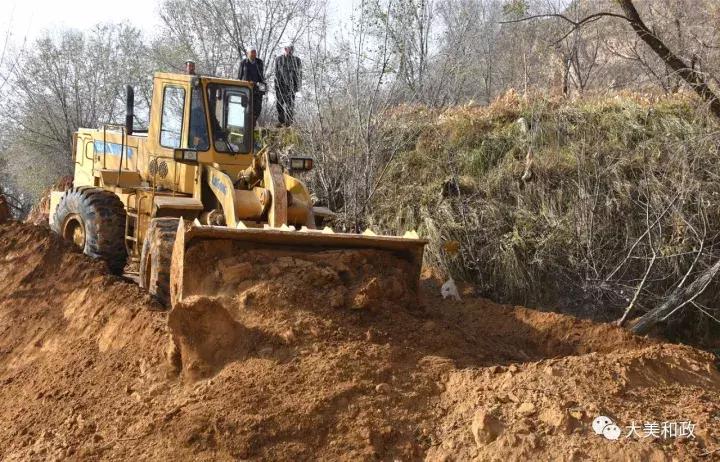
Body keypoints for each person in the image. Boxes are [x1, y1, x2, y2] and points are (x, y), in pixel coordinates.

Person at [274, 45, 301, 126]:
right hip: (280, 86)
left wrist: (297, 87)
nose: (289, 51)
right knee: (279, 104)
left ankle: (289, 123)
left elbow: (299, 74)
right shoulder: (278, 59)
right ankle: (281, 122)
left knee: (290, 105)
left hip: (291, 87)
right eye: (287, 49)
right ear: (284, 49)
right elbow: (276, 73)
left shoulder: (296, 60)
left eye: (291, 49)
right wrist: (276, 85)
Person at [238, 48, 266, 123]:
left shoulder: (259, 62)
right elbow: (239, 77)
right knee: (246, 108)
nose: (254, 54)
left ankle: (253, 123)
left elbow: (261, 77)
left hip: (257, 89)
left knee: (257, 108)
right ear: (248, 53)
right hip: (246, 89)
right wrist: (238, 90)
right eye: (252, 53)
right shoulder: (243, 63)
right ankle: (246, 124)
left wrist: (262, 91)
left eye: (255, 53)